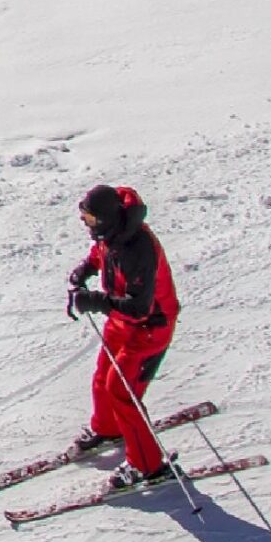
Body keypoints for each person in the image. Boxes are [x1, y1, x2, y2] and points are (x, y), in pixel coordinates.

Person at [66, 182, 182, 489]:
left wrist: (95, 301)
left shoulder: (138, 249)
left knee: (121, 390)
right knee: (103, 374)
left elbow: (139, 308)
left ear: (106, 219)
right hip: (123, 321)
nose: (87, 225)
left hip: (149, 327)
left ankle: (149, 466)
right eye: (84, 218)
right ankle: (108, 428)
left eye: (91, 219)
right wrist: (83, 271)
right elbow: (100, 253)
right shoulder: (113, 233)